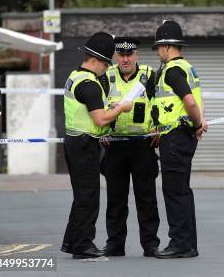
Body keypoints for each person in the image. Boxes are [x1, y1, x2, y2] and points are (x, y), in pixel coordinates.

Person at [61, 32, 132, 259]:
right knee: (88, 197)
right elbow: (100, 120)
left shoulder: (75, 76)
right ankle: (83, 246)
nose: (105, 68)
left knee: (81, 195)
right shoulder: (90, 85)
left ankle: (72, 242)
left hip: (75, 141)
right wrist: (120, 109)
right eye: (105, 63)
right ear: (95, 60)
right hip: (84, 144)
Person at [152, 20, 208, 259]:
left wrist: (197, 123)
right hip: (182, 136)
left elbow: (190, 102)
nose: (157, 52)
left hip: (174, 137)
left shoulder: (173, 70)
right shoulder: (187, 67)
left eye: (158, 47)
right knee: (182, 190)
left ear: (166, 46)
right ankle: (189, 244)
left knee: (174, 191)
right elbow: (194, 101)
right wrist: (197, 124)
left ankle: (179, 243)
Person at [100, 37, 160, 257]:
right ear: (115, 56)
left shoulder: (150, 75)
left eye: (129, 54)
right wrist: (101, 133)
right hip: (114, 146)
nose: (125, 59)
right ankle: (115, 244)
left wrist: (159, 129)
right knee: (115, 198)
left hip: (143, 144)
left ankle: (150, 244)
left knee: (147, 198)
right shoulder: (106, 77)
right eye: (121, 55)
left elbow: (161, 105)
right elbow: (96, 109)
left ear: (136, 55)